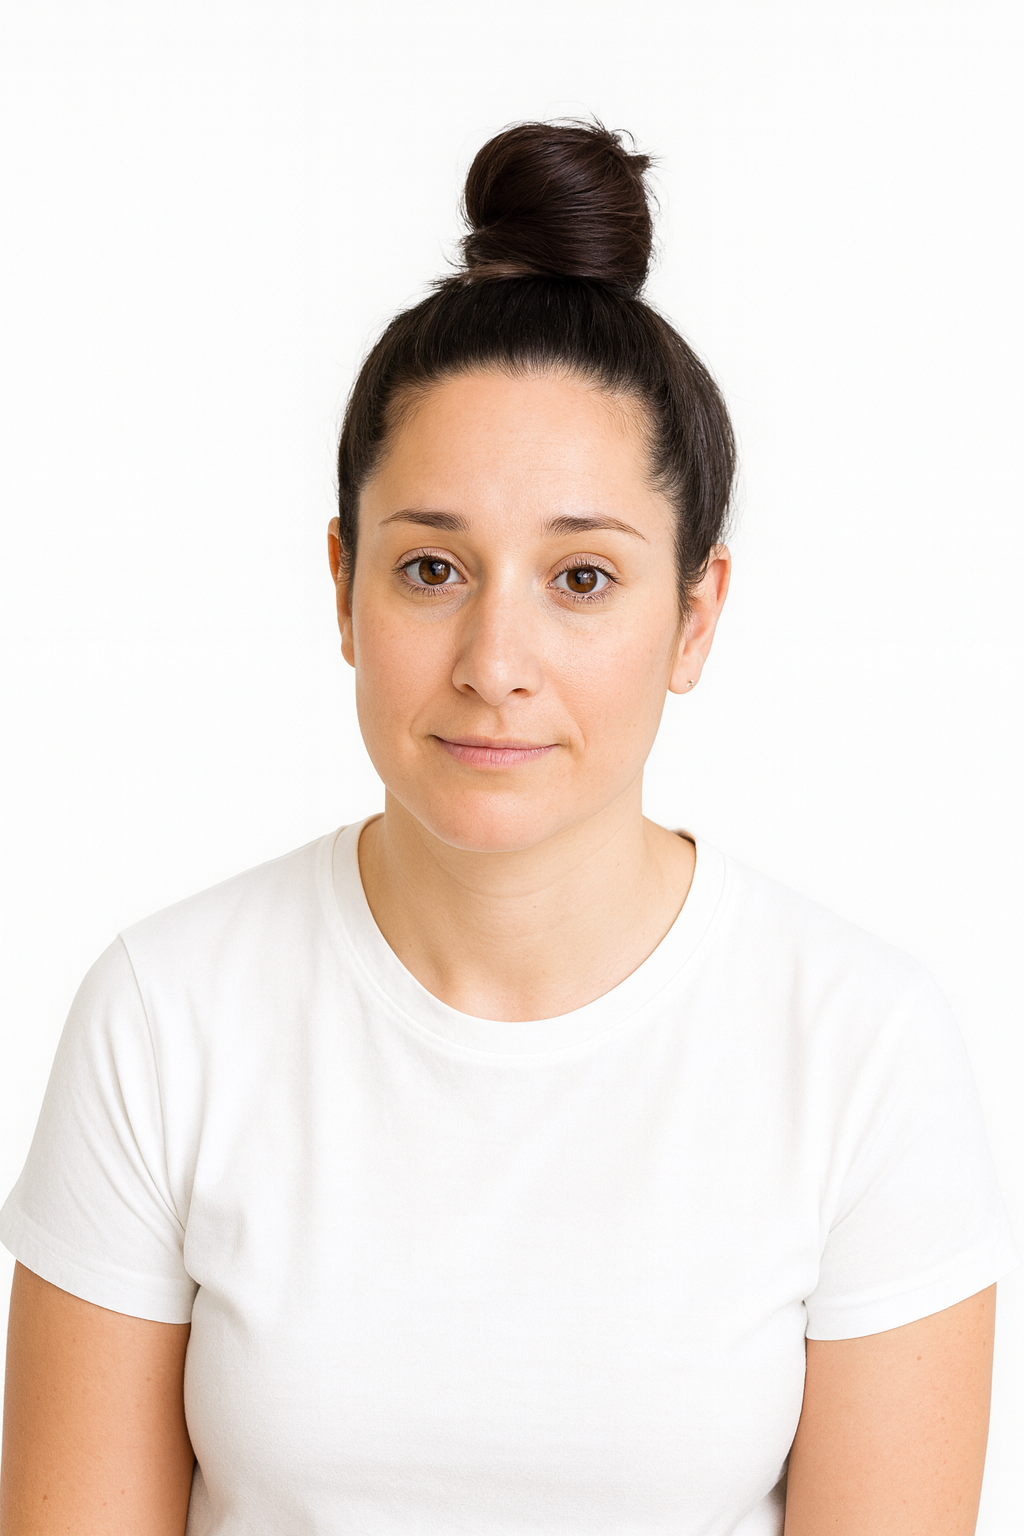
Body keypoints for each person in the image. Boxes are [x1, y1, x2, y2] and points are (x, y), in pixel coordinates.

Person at [0, 119, 1017, 1536]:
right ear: (343, 586)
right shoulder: (166, 1017)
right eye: (432, 568)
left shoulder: (861, 1051)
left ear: (697, 616)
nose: (494, 661)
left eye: (582, 578)